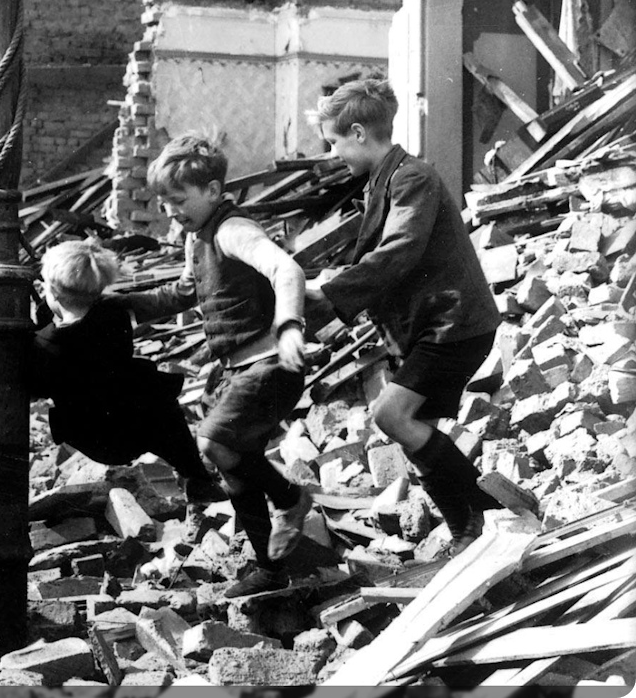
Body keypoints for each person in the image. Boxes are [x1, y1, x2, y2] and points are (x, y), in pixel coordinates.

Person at [111, 134, 314, 597]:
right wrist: (120, 305)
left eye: (179, 200)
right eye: (164, 204)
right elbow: (183, 293)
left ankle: (291, 499)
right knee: (237, 466)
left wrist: (289, 327)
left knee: (214, 443)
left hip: (270, 364)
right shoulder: (195, 236)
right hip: (237, 370)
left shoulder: (231, 229)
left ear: (213, 190)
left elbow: (288, 271)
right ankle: (271, 571)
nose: (172, 212)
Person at [308, 78, 500, 556]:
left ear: (357, 132)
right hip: (433, 328)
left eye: (334, 142)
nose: (335, 155)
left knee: (391, 415)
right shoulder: (384, 180)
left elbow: (399, 251)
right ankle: (470, 529)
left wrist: (329, 298)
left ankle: (481, 515)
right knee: (416, 432)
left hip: (455, 324)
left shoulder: (411, 178)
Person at [26, 239, 225, 534]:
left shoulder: (44, 346)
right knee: (152, 390)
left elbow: (37, 385)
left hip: (93, 435)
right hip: (135, 427)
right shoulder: (114, 313)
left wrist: (36, 328)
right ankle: (196, 477)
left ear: (51, 291)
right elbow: (86, 326)